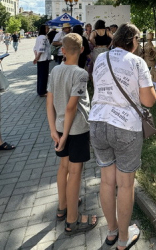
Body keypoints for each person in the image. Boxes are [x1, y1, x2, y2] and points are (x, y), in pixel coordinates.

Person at [89, 23, 156, 249]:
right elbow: (148, 101)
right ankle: (124, 239)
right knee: (125, 185)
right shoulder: (138, 62)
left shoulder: (101, 58)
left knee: (107, 181)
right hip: (125, 126)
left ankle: (111, 231)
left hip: (98, 122)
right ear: (134, 40)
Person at [47, 33, 97, 234]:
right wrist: (66, 135)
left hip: (59, 128)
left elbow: (48, 102)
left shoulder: (55, 71)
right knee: (75, 172)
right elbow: (71, 107)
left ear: (63, 50)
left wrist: (54, 130)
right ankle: (73, 220)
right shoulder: (81, 74)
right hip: (75, 129)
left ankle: (62, 207)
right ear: (83, 49)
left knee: (63, 167)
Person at [33, 25, 51, 97]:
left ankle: (40, 90)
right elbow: (41, 48)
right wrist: (37, 57)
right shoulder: (44, 37)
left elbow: (35, 48)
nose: (48, 29)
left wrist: (36, 57)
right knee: (44, 76)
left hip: (40, 59)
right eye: (47, 28)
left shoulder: (38, 37)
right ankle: (42, 91)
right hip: (44, 58)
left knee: (40, 75)